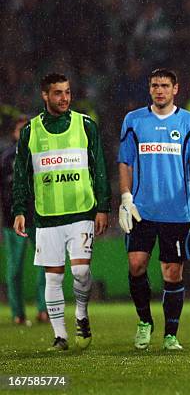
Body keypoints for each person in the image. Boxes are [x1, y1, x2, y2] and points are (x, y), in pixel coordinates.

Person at [118, 68, 190, 351]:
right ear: (149, 89)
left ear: (176, 89)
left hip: (177, 213)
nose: (159, 90)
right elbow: (124, 162)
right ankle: (144, 322)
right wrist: (125, 197)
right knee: (136, 265)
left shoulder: (189, 122)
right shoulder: (134, 120)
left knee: (172, 273)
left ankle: (171, 334)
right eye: (154, 86)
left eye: (164, 85)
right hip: (141, 211)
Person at [12, 73, 111, 351]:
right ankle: (60, 336)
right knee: (53, 277)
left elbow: (99, 169)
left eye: (67, 92)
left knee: (81, 272)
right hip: (47, 217)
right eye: (58, 93)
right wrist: (19, 210)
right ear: (45, 95)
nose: (64, 98)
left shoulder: (86, 125)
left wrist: (103, 207)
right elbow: (21, 176)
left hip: (81, 213)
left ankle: (81, 315)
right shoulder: (30, 131)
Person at [1, 115, 48, 325]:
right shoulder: (6, 158)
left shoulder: (40, 156)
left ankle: (43, 310)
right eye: (21, 130)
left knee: (46, 265)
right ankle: (18, 314)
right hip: (12, 221)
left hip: (38, 219)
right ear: (14, 133)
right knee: (15, 269)